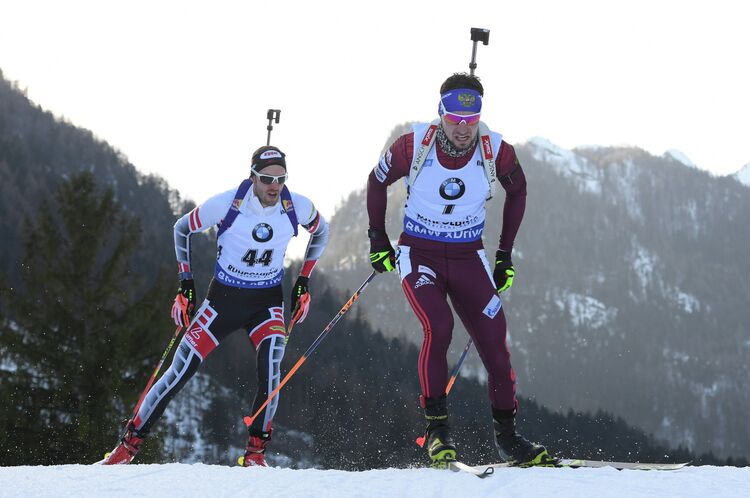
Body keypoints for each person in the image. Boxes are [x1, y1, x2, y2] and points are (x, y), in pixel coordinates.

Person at [366, 73, 554, 468]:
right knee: (440, 326)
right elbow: (376, 180)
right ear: (441, 114)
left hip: (469, 255)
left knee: (496, 350)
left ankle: (508, 438)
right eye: (455, 119)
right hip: (420, 253)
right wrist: (377, 239)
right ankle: (437, 433)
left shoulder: (496, 150)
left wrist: (504, 255)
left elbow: (518, 191)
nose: (463, 129)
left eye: (471, 120)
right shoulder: (413, 144)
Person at [100, 145, 329, 466]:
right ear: (252, 178)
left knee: (271, 371)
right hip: (223, 301)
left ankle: (255, 455)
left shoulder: (296, 206)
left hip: (266, 302)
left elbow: (322, 231)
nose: (274, 186)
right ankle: (127, 447)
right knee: (179, 372)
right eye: (266, 179)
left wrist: (304, 280)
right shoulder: (226, 204)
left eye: (281, 178)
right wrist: (186, 285)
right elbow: (182, 228)